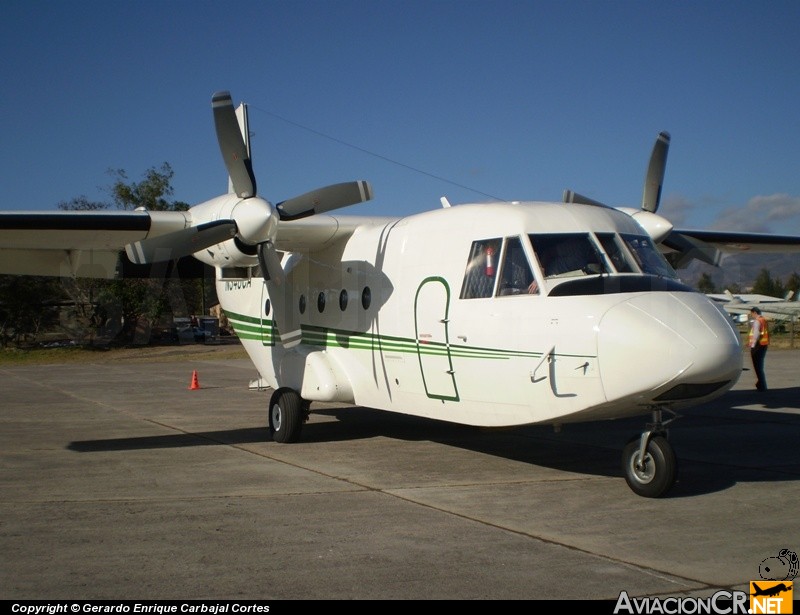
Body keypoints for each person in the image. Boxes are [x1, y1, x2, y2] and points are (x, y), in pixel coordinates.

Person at [748, 307, 769, 391]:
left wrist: (752, 345)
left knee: (757, 366)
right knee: (760, 366)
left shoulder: (757, 321)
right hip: (763, 345)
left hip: (758, 345)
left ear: (754, 313)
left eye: (751, 313)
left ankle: (762, 384)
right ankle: (760, 383)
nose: (751, 315)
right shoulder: (763, 320)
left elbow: (756, 334)